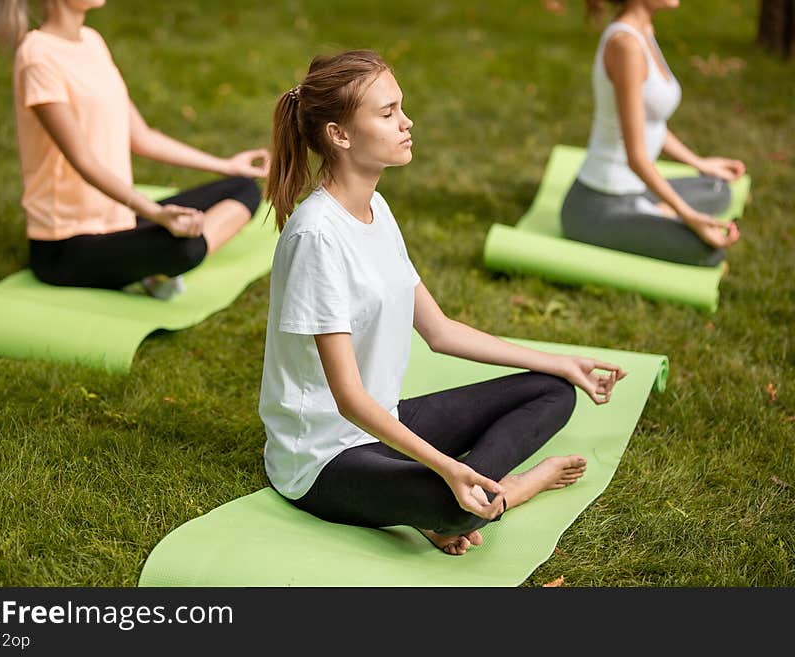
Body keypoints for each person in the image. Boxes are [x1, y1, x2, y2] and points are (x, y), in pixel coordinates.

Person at [259, 50, 627, 555]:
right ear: (339, 135)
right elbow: (347, 398)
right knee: (455, 502)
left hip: (380, 423)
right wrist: (447, 467)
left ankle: (452, 494)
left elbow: (439, 330)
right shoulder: (317, 237)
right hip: (322, 457)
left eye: (400, 108)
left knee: (555, 390)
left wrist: (561, 362)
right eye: (387, 113)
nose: (406, 123)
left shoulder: (375, 208)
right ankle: (510, 488)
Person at [0, 0, 268, 299]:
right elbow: (84, 161)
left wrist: (225, 165)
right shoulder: (37, 57)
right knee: (184, 248)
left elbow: (142, 137)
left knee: (243, 189)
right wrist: (156, 213)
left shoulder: (92, 41)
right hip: (66, 245)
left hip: (120, 221)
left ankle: (148, 266)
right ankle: (152, 267)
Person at [561, 0, 746, 267]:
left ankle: (655, 211)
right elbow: (636, 158)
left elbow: (651, 126)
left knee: (717, 189)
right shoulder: (626, 46)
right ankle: (655, 213)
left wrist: (699, 163)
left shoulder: (644, 30)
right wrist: (687, 215)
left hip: (635, 190)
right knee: (707, 250)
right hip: (598, 205)